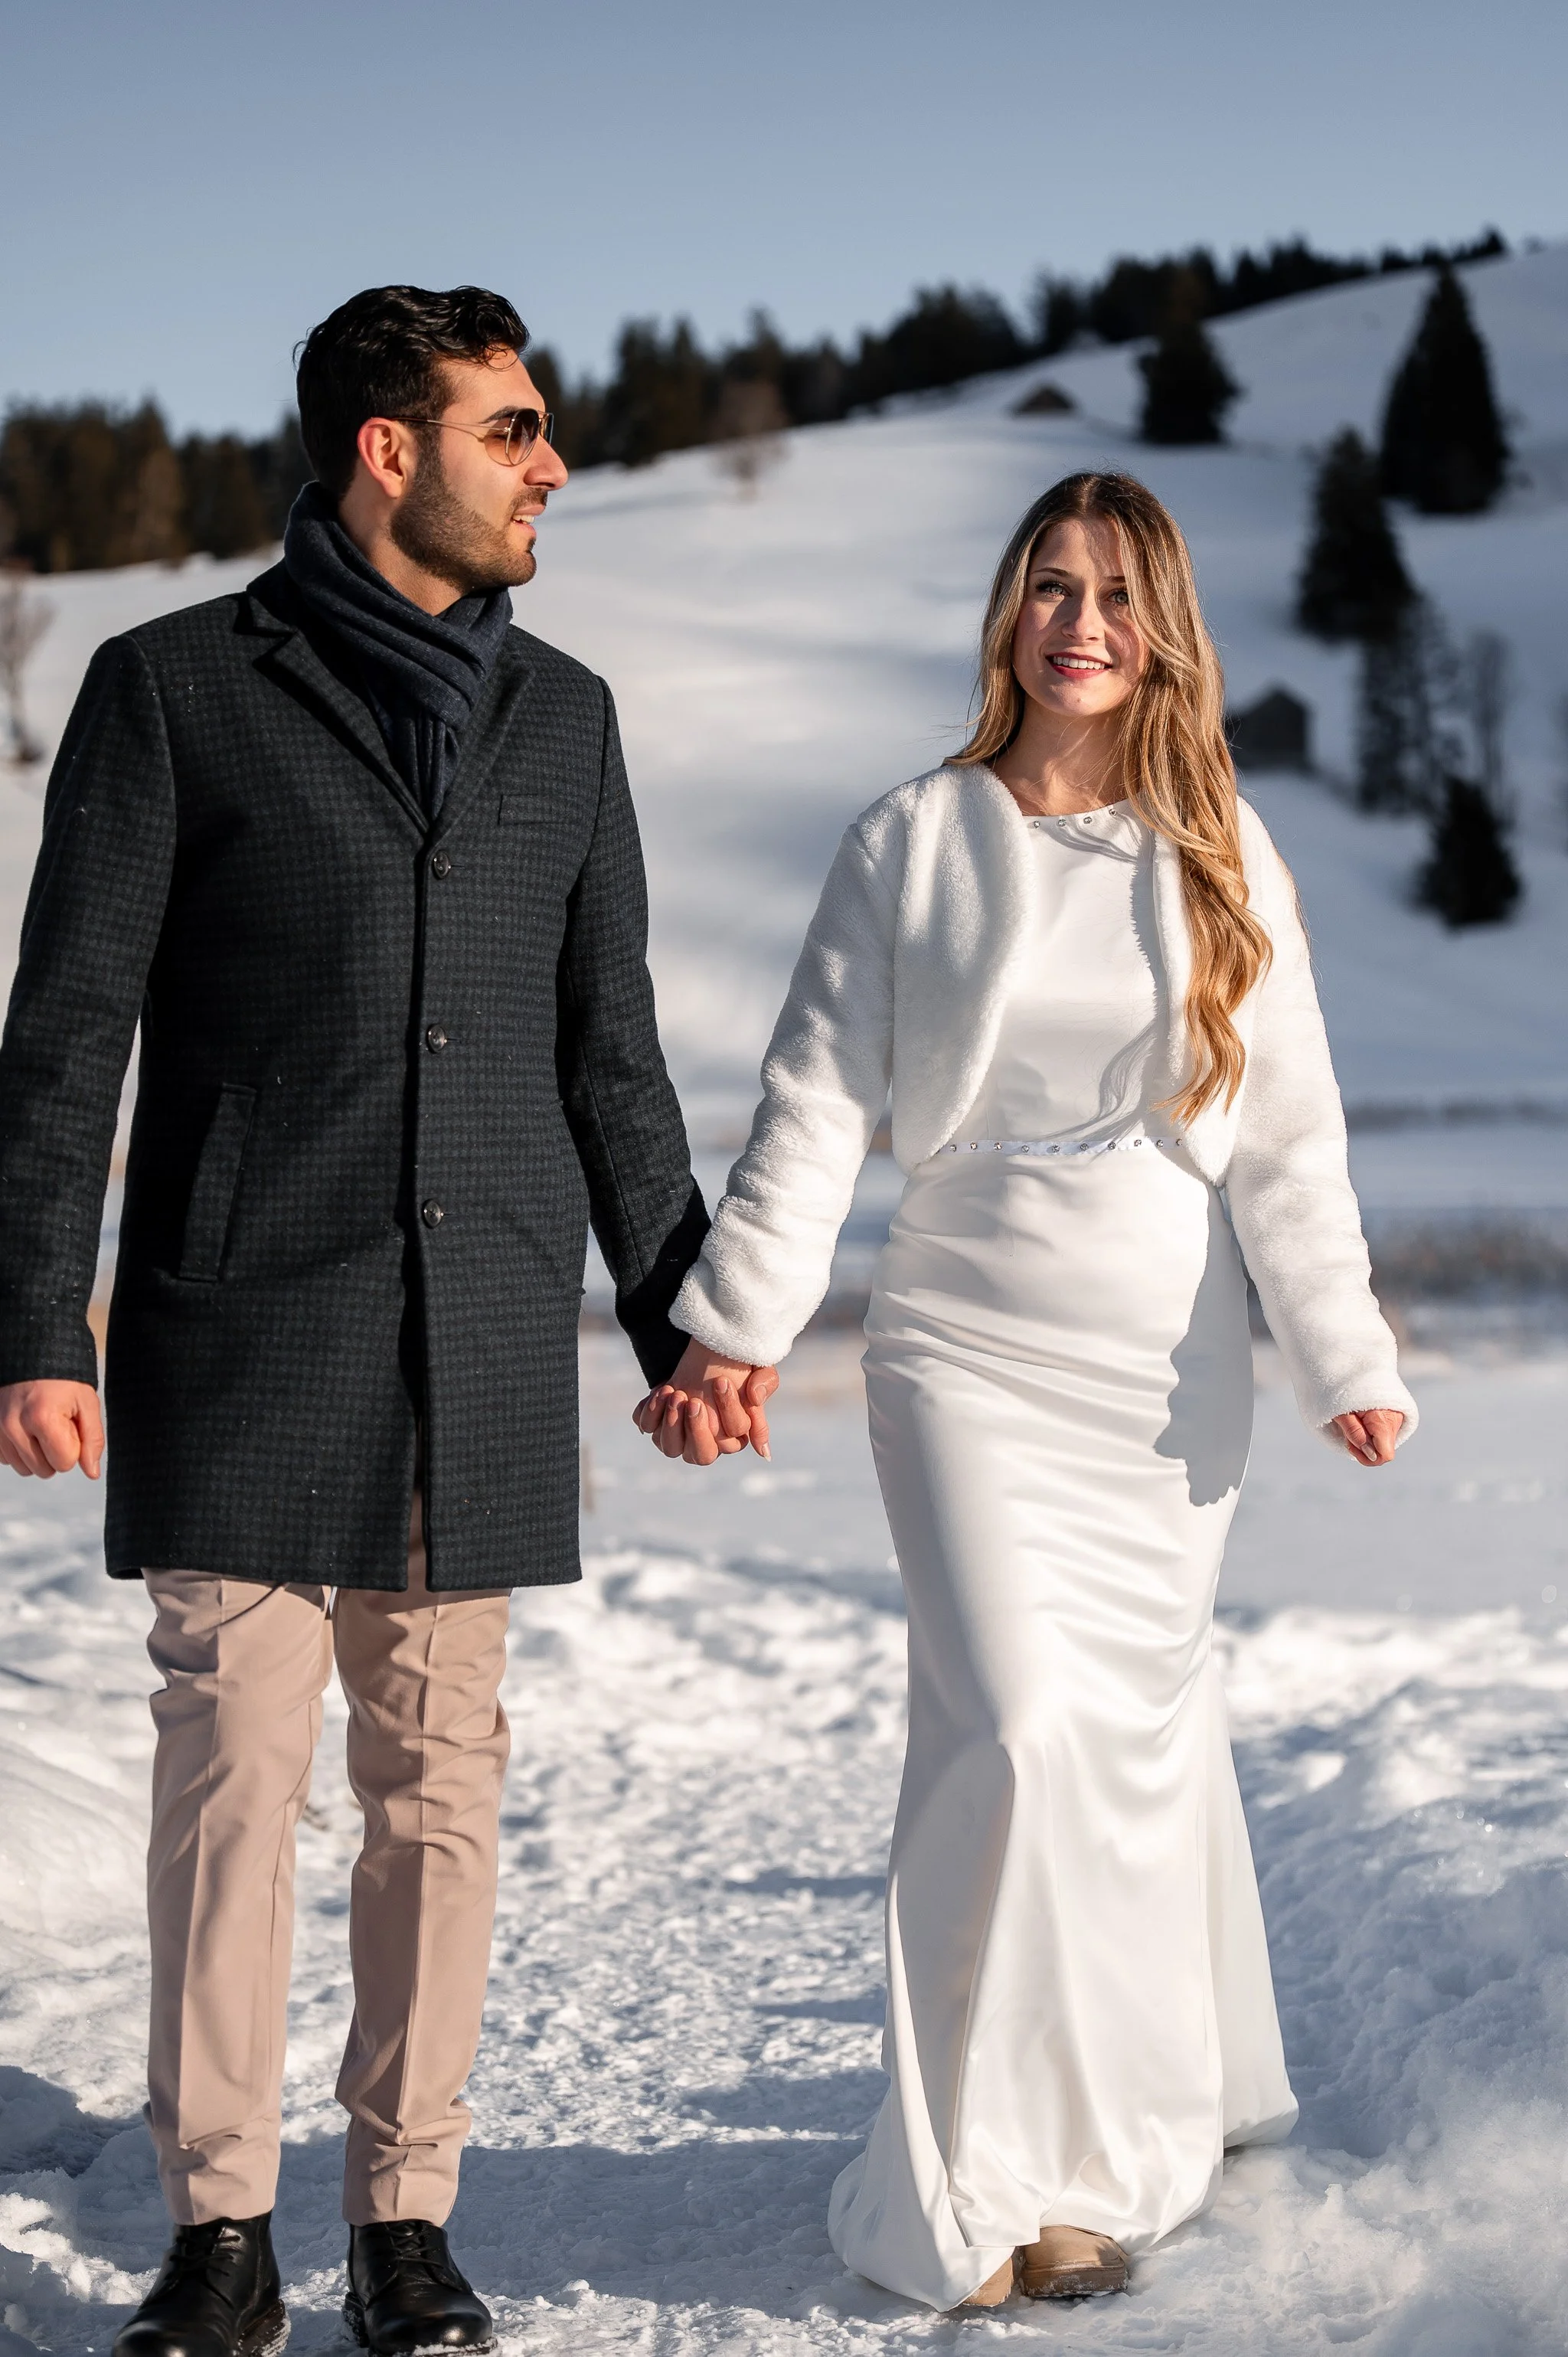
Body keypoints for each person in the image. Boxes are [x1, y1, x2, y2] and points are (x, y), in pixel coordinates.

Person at [0, 284, 769, 2357]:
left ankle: (407, 2219)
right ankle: (221, 2226)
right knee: (237, 1783)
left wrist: (686, 1318)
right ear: (385, 447)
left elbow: (613, 1051)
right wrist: (32, 1322)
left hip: (483, 1335)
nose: (554, 466)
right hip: (241, 1324)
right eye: (513, 428)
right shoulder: (172, 691)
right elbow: (68, 1036)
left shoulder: (571, 717)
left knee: (439, 1788)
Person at [638, 472, 1416, 2312]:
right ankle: (969, 2171)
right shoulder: (909, 837)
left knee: (1125, 1757)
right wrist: (735, 1324)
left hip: (1166, 1374)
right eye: (1050, 585)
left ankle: (1090, 2167)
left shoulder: (1218, 841)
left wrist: (1345, 1348)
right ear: (1007, 613)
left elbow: (1286, 1134)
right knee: (1014, 1733)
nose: (1080, 620)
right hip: (964, 1347)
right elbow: (818, 1099)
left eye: (1119, 596)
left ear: (1165, 637)